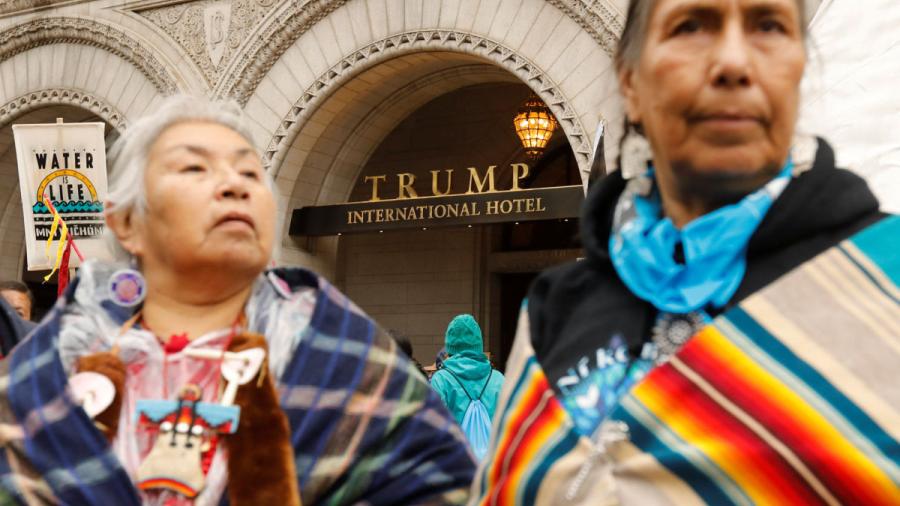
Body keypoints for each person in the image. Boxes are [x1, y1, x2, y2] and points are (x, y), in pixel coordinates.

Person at [471, 0, 900, 504]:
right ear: (630, 81)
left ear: (800, 68)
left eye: (769, 26)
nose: (734, 63)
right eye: (691, 25)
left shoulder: (883, 277)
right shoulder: (554, 312)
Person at [0, 96, 475, 505]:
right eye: (194, 168)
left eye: (250, 171)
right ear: (126, 222)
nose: (236, 185)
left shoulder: (346, 354)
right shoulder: (42, 375)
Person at [430, 315, 504, 460]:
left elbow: (433, 428)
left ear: (450, 347)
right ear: (479, 345)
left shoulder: (441, 380)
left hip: (455, 466)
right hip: (492, 467)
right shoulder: (499, 379)